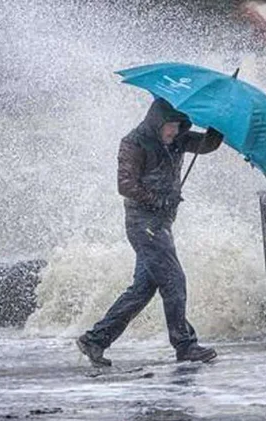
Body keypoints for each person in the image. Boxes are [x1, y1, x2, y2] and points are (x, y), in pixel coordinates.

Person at [77, 98, 223, 366]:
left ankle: (95, 340)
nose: (174, 132)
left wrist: (218, 125)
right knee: (174, 279)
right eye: (170, 126)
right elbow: (125, 185)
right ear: (157, 122)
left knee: (142, 289)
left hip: (161, 224)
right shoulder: (134, 143)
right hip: (142, 224)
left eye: (179, 126)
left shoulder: (178, 139)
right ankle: (185, 345)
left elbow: (206, 145)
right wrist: (158, 200)